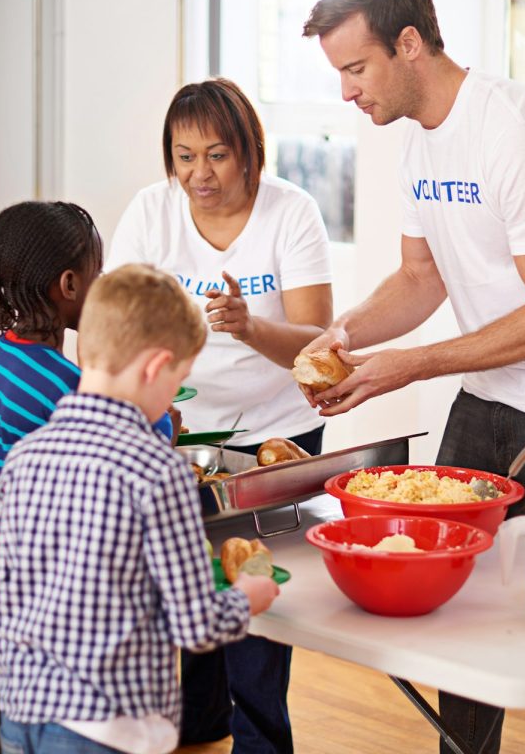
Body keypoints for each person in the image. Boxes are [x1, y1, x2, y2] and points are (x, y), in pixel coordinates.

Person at [300, 0, 525, 753]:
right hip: (484, 402)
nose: (347, 93)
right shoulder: (422, 144)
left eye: (357, 68)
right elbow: (422, 278)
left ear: (411, 43)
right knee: (458, 638)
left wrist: (417, 364)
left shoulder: (516, 134)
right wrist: (348, 335)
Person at [107, 77, 333, 753]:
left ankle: (262, 742)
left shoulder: (292, 212)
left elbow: (318, 341)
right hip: (178, 429)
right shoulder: (153, 210)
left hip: (277, 432)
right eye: (183, 157)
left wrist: (246, 326)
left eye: (216, 155)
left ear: (248, 153)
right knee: (191, 575)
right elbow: (116, 315)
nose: (198, 174)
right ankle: (200, 725)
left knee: (258, 586)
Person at [0, 263, 279, 754]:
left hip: (20, 712)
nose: (173, 397)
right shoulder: (156, 470)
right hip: (108, 727)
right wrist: (248, 595)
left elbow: (9, 590)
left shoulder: (25, 456)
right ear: (154, 367)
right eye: (178, 379)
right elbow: (196, 624)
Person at [0, 201, 176, 752]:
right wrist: (160, 416)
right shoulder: (66, 385)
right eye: (97, 275)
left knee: (18, 703)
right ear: (68, 284)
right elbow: (142, 453)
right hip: (56, 582)